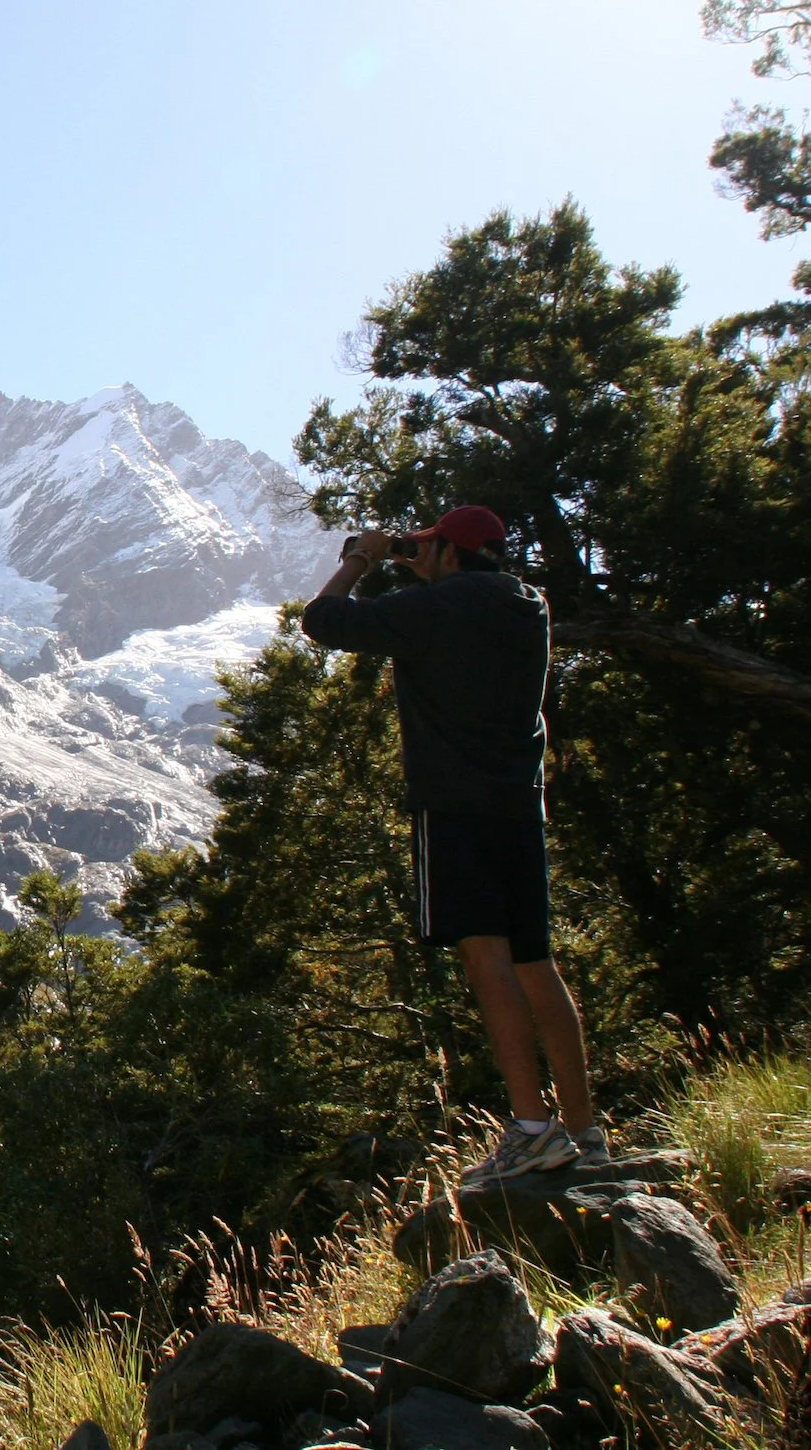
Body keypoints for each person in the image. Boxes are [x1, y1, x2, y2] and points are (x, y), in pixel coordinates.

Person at [300, 505, 604, 1184]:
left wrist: (366, 557)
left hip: (454, 808)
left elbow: (321, 620)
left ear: (450, 551)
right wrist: (422, 559)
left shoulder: (434, 609)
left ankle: (531, 1129)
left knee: (485, 954)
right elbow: (460, 604)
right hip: (521, 808)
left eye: (431, 542)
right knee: (536, 961)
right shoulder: (530, 605)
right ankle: (585, 1128)